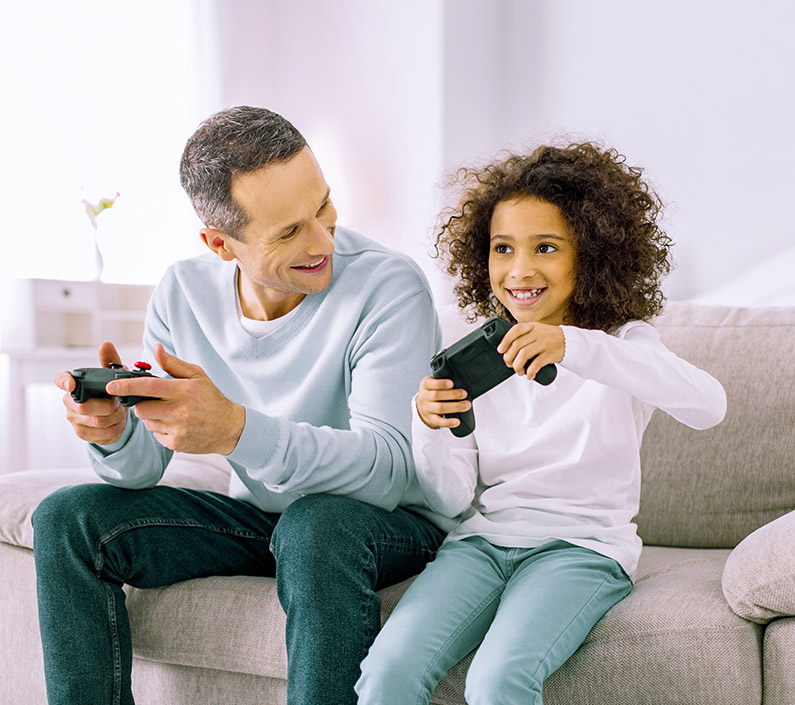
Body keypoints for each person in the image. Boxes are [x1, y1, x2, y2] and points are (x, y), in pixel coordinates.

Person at [32, 105, 449, 705]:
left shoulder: (387, 285)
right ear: (219, 244)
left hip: (381, 528)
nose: (323, 239)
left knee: (316, 525)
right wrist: (112, 434)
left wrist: (235, 431)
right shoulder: (182, 292)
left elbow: (387, 472)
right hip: (266, 523)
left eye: (324, 206)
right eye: (288, 232)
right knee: (67, 519)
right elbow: (142, 469)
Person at [355, 142, 727, 705]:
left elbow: (708, 406)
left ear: (592, 257)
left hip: (582, 550)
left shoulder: (620, 347)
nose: (520, 270)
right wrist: (428, 426)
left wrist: (572, 345)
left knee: (498, 678)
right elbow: (452, 497)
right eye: (502, 248)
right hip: (480, 544)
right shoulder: (477, 356)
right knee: (387, 670)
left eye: (546, 248)